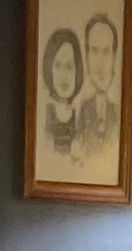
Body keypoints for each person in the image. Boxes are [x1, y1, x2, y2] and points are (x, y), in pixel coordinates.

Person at [76, 12, 122, 166]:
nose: (100, 63)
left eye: (106, 51)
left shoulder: (120, 112)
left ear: (114, 56)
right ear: (87, 55)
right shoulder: (82, 110)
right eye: (94, 51)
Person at [40, 25, 82, 166]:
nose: (64, 76)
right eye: (58, 65)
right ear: (49, 68)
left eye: (69, 66)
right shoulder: (45, 113)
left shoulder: (79, 115)